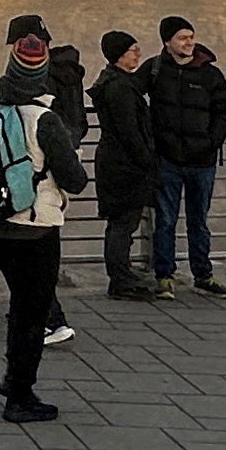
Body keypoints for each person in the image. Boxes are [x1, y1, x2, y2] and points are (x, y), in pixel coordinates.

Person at [0, 11, 90, 421]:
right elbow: (75, 179)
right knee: (33, 313)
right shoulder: (45, 118)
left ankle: (13, 378)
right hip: (33, 227)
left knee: (22, 301)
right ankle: (20, 397)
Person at [143, 16, 226, 297]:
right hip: (168, 160)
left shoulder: (210, 74)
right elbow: (127, 90)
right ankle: (164, 277)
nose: (189, 43)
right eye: (183, 38)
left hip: (202, 163)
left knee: (199, 221)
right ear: (167, 42)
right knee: (166, 221)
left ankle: (203, 275)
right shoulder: (155, 69)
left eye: (191, 37)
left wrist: (211, 142)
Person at [91, 32, 159, 298]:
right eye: (133, 50)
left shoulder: (114, 82)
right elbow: (129, 130)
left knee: (122, 223)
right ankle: (120, 280)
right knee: (123, 224)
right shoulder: (119, 88)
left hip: (115, 161)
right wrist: (146, 160)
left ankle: (122, 274)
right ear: (120, 54)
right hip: (124, 164)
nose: (138, 54)